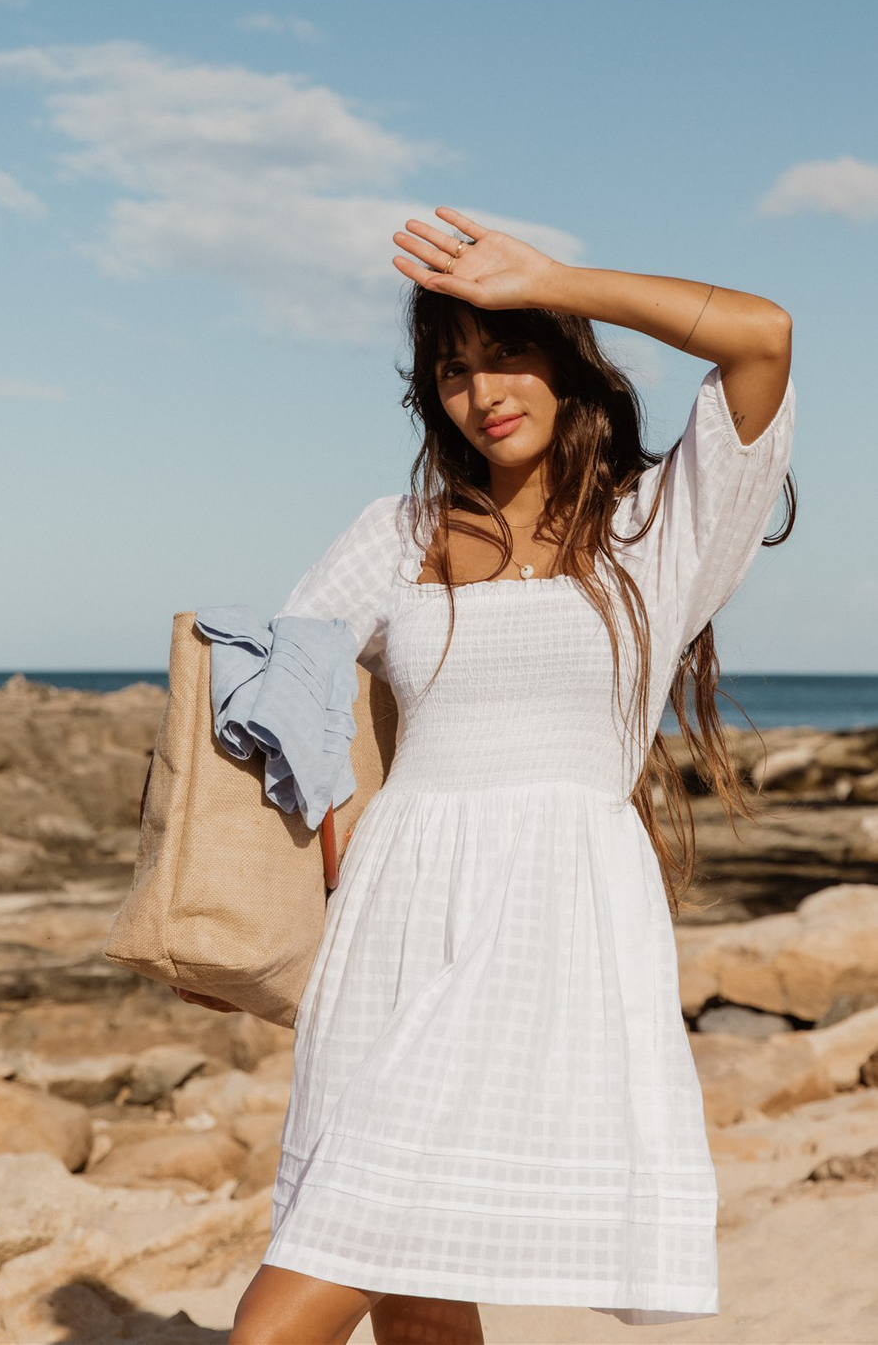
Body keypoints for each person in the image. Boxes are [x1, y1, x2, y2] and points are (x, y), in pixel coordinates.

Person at [185, 206, 796, 1344]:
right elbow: (285, 715)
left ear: (567, 360)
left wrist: (558, 277)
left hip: (548, 923)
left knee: (288, 1309)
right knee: (413, 1301)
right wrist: (239, 906)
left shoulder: (655, 530)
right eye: (455, 369)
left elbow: (761, 336)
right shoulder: (398, 530)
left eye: (510, 349)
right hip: (397, 913)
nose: (485, 388)